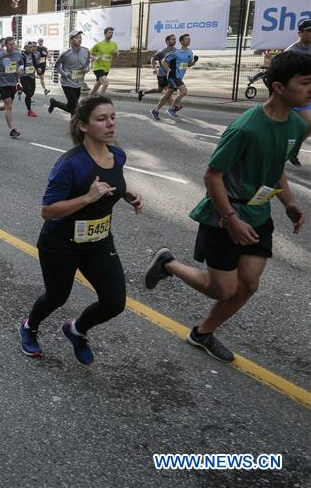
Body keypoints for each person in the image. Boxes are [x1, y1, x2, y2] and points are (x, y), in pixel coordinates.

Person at [143, 51, 309, 363]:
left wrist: (289, 202)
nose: (310, 89)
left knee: (248, 285)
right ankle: (167, 264)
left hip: (258, 214)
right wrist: (231, 218)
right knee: (223, 289)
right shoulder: (246, 128)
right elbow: (212, 176)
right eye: (305, 83)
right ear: (279, 87)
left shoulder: (297, 127)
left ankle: (202, 333)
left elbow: (277, 170)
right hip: (224, 216)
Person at [19, 96, 142, 364]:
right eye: (101, 119)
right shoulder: (70, 164)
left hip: (98, 241)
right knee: (57, 297)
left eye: (112, 117)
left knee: (114, 302)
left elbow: (110, 183)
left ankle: (76, 330)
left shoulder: (118, 155)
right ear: (83, 126)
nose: (110, 124)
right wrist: (87, 198)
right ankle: (29, 326)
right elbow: (48, 211)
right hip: (60, 244)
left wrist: (125, 194)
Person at [149, 33, 198, 121]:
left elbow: (188, 65)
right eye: (187, 39)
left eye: (189, 39)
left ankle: (155, 110)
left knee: (168, 94)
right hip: (173, 75)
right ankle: (171, 109)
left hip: (180, 76)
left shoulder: (190, 52)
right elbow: (164, 61)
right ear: (182, 41)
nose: (189, 41)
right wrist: (168, 70)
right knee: (184, 91)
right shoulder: (175, 52)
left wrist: (194, 61)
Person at [285, 18, 311, 166]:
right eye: (309, 31)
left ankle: (293, 149)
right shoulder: (291, 51)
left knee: (308, 125)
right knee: (287, 128)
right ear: (299, 33)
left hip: (306, 95)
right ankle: (284, 151)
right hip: (291, 95)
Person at [48, 31, 90, 116]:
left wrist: (87, 68)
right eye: (76, 37)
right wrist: (65, 73)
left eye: (80, 37)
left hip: (78, 82)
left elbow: (87, 63)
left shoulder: (86, 51)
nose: (79, 39)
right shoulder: (66, 53)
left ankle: (55, 103)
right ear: (71, 40)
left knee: (72, 107)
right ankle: (75, 126)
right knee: (75, 106)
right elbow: (57, 66)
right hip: (67, 82)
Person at [0, 38, 23, 138]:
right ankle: (12, 130)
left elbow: (21, 64)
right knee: (8, 104)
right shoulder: (0, 55)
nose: (12, 46)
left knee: (7, 105)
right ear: (5, 45)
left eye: (13, 44)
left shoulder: (18, 54)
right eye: (10, 44)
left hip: (13, 82)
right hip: (3, 82)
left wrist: (20, 69)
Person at [138, 34, 177, 102]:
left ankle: (143, 92)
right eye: (172, 39)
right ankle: (173, 107)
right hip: (163, 75)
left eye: (175, 39)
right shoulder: (162, 51)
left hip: (172, 74)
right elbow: (153, 59)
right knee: (168, 91)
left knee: (159, 90)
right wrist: (154, 68)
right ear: (167, 41)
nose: (174, 41)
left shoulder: (176, 51)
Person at [89, 27, 119, 97]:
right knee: (106, 83)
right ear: (105, 34)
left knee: (96, 88)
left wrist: (116, 53)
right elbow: (89, 53)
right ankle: (100, 100)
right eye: (109, 33)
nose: (111, 34)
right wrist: (95, 57)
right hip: (98, 67)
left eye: (112, 33)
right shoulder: (99, 44)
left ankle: (88, 99)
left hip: (106, 68)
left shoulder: (114, 44)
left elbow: (116, 56)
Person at [19, 41, 40, 118]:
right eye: (29, 47)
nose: (31, 48)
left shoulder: (33, 55)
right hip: (24, 76)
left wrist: (38, 68)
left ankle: (20, 88)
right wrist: (19, 70)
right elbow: (17, 63)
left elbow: (36, 64)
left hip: (31, 76)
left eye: (32, 47)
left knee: (31, 92)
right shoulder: (21, 55)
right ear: (25, 47)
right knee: (28, 93)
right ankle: (29, 110)